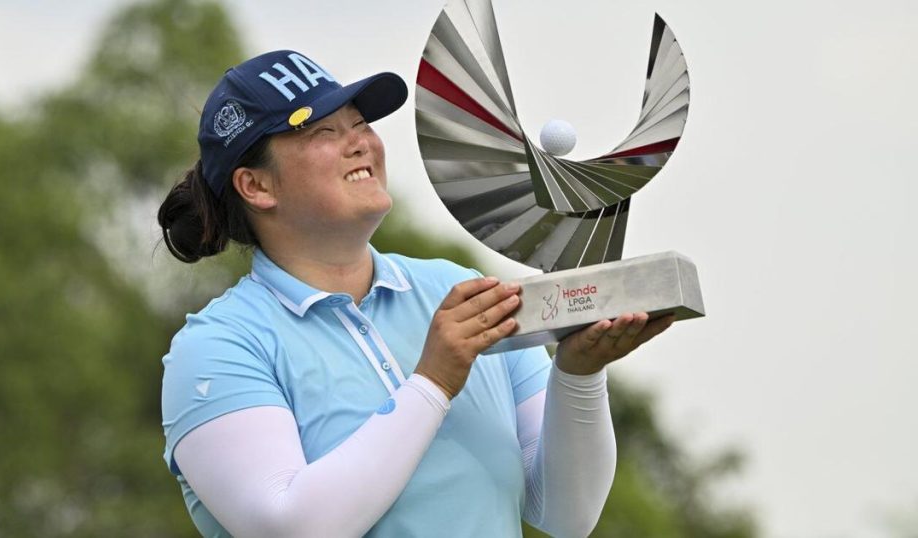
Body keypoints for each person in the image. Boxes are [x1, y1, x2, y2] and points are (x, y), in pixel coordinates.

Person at [157, 49, 674, 538]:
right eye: (324, 131)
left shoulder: (457, 289)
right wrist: (433, 382)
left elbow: (567, 515)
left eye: (360, 124)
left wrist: (579, 374)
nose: (361, 142)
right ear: (256, 187)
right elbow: (291, 527)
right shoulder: (216, 347)